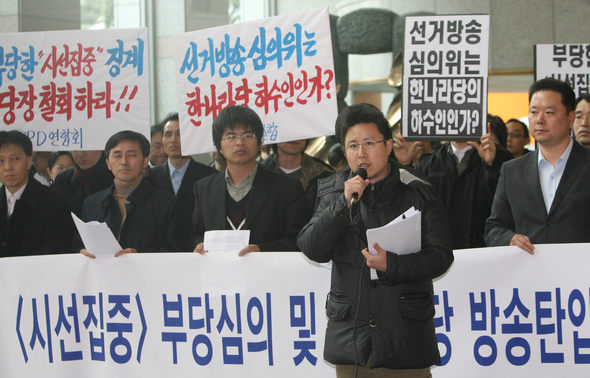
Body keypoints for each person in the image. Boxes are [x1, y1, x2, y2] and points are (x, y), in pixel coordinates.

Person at [297, 103, 453, 377]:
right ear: (344, 151)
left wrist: (391, 264)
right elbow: (312, 247)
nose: (361, 153)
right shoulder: (333, 190)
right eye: (353, 145)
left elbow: (440, 256)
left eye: (370, 143)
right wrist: (342, 204)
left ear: (389, 145)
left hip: (404, 338)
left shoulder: (417, 189)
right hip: (352, 340)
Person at [485, 78, 590, 253]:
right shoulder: (511, 170)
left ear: (570, 117)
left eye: (549, 112)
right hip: (529, 273)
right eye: (534, 112)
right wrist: (509, 239)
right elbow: (494, 227)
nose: (539, 120)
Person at [192, 105, 309, 256]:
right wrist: (199, 245)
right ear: (219, 146)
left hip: (268, 275)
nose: (240, 142)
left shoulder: (287, 188)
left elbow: (300, 240)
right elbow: (195, 234)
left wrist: (261, 250)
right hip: (219, 275)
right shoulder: (203, 189)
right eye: (231, 136)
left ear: (259, 142)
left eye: (248, 135)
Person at [394, 123, 512, 249]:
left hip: (484, 253)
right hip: (439, 255)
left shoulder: (501, 160)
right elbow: (407, 208)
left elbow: (506, 209)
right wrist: (405, 165)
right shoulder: (429, 162)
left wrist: (491, 165)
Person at [79, 131, 189, 258]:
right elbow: (78, 244)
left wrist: (140, 256)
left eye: (131, 155)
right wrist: (82, 252)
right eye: (117, 155)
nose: (124, 162)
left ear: (145, 162)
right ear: (108, 163)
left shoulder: (167, 204)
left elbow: (179, 250)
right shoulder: (92, 204)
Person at [0, 131, 74, 257]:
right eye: (1, 160)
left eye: (15, 159)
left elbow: (60, 248)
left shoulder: (55, 202)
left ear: (29, 162)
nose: (7, 167)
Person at [151, 113, 216, 221]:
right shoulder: (151, 177)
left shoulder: (209, 176)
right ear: (163, 140)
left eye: (179, 134)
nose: (173, 140)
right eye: (168, 134)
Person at [262, 139, 333, 210]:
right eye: (287, 130)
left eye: (298, 131)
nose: (293, 138)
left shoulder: (325, 175)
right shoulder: (257, 176)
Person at [53, 149, 114, 217]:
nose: (81, 155)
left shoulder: (116, 177)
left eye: (87, 149)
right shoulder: (62, 179)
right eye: (75, 149)